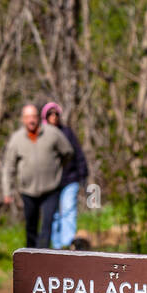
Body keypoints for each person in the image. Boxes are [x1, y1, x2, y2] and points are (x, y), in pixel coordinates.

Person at [2, 103, 73, 248]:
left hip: (51, 188)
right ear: (23, 120)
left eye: (33, 116)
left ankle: (44, 259)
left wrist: (58, 169)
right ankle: (30, 260)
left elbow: (68, 152)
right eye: (28, 117)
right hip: (28, 191)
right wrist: (7, 191)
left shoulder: (52, 133)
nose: (31, 120)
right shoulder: (16, 139)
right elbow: (9, 167)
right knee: (31, 226)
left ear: (39, 117)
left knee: (47, 224)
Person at [42, 102, 88, 250]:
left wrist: (82, 174)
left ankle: (68, 244)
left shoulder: (67, 133)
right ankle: (57, 247)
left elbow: (78, 154)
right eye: (50, 114)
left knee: (68, 210)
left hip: (70, 179)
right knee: (54, 215)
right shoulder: (41, 135)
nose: (54, 117)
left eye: (56, 114)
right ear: (45, 116)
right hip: (50, 183)